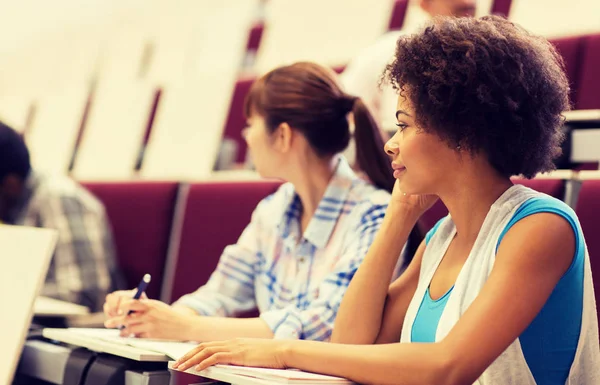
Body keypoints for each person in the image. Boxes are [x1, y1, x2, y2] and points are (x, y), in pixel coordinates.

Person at [174, 16, 600, 385]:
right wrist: (398, 215)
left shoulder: (542, 226)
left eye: (404, 125)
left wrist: (285, 351)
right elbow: (352, 341)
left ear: (461, 131)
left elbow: (446, 369)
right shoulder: (441, 239)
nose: (391, 146)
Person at [103, 62, 394, 342]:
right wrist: (152, 316)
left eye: (251, 124)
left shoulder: (374, 215)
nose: (246, 136)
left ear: (281, 135)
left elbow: (327, 326)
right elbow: (218, 295)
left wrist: (186, 325)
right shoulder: (273, 210)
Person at [0, 122, 119, 312]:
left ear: (10, 184)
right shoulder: (14, 205)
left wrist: (10, 296)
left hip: (74, 332)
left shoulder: (58, 197)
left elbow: (85, 294)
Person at [341, 0, 477, 135]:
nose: (468, 2)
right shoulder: (385, 51)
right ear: (424, 3)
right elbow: (340, 110)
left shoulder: (489, 57)